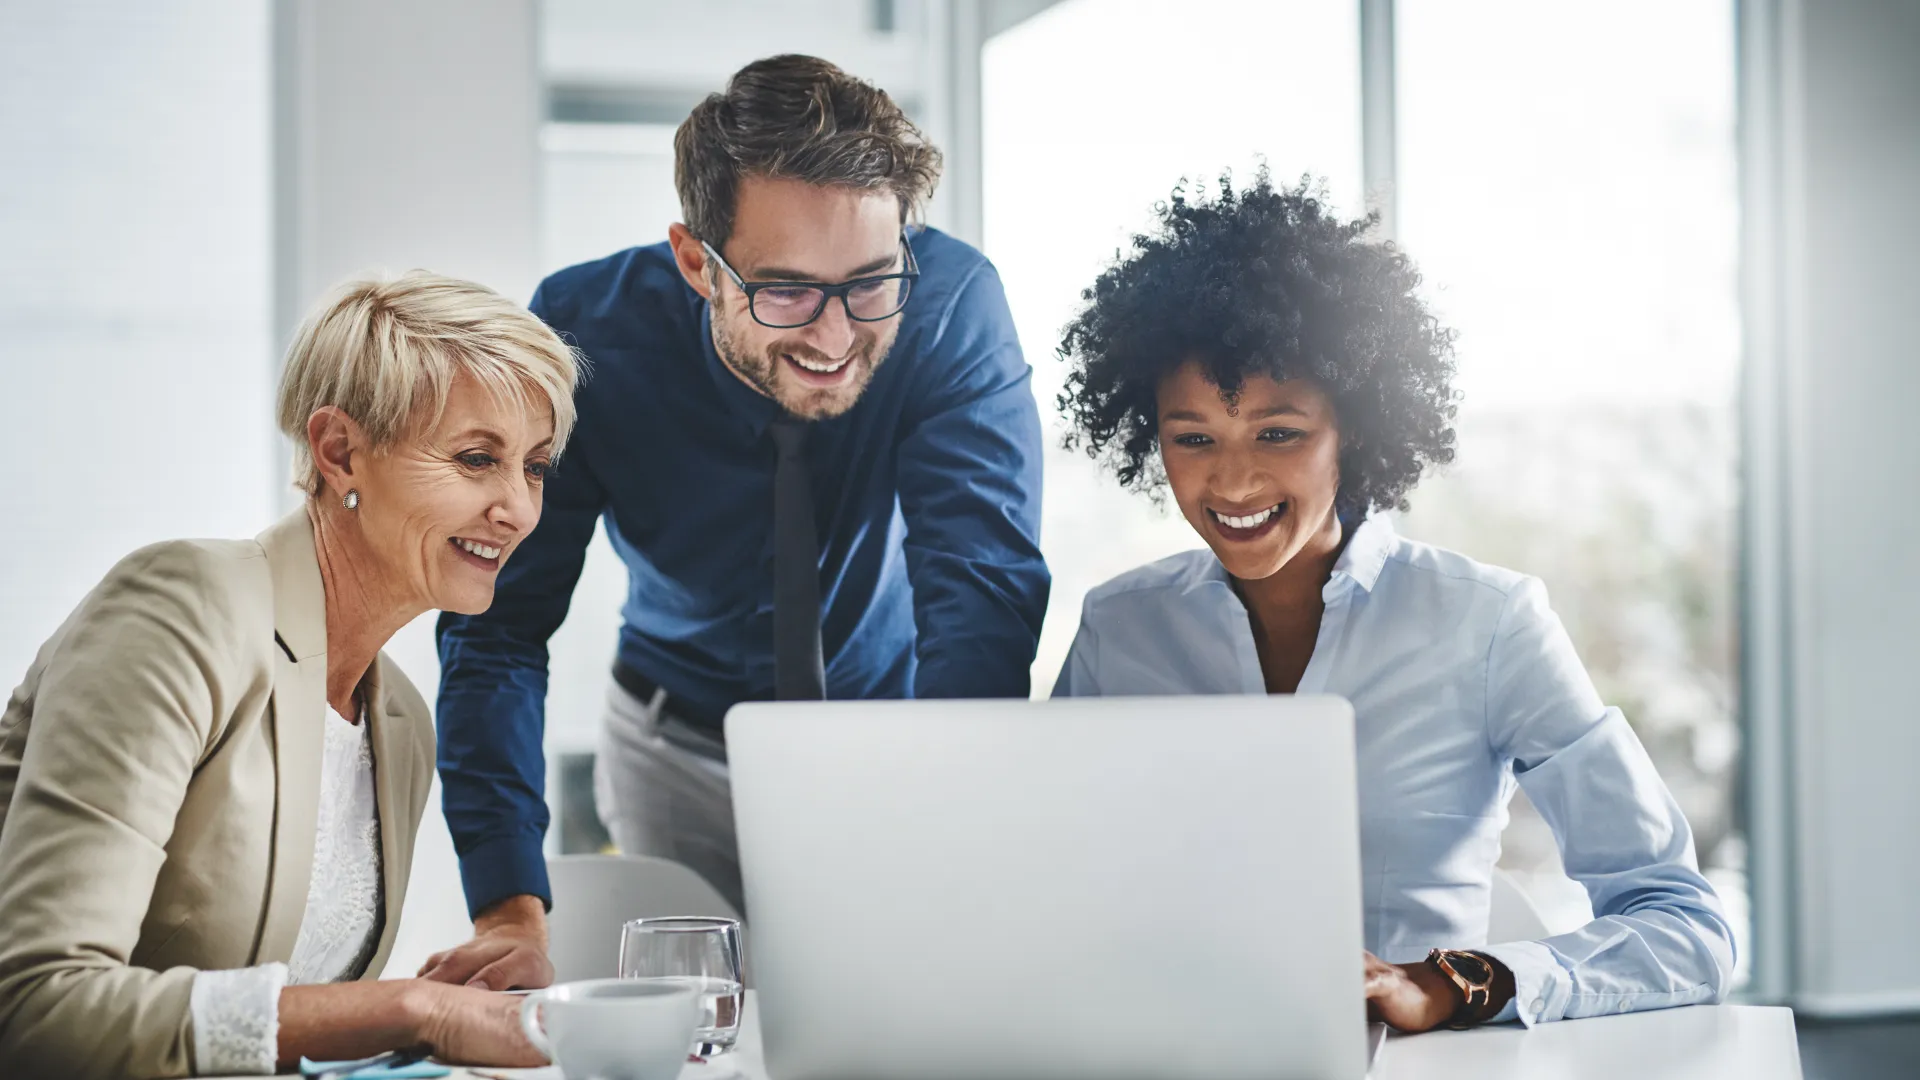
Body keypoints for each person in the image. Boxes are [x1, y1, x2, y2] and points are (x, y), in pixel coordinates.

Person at [1051, 172, 1735, 1032]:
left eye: (1279, 432)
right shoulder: (1120, 630)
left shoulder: (1488, 624)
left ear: (1358, 429)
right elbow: (1051, 890)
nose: (1231, 480)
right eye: (1193, 438)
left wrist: (1453, 983)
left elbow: (1687, 925)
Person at [429, 52, 1049, 973]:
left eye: (871, 282)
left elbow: (980, 593)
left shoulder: (951, 305)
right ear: (696, 262)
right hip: (674, 745)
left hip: (894, 737)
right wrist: (507, 906)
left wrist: (948, 830)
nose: (835, 337)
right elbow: (498, 629)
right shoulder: (584, 334)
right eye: (787, 290)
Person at [0, 271, 580, 1078]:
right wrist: (415, 1010)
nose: (518, 507)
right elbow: (37, 1009)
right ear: (339, 451)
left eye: (536, 468)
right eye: (478, 458)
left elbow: (284, 1031)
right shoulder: (181, 610)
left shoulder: (400, 721)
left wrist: (449, 1006)